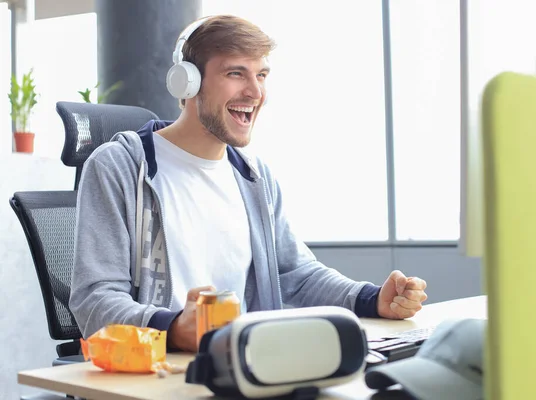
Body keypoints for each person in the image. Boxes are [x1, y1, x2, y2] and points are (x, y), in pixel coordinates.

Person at [69, 14, 428, 352]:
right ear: (187, 81)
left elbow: (296, 274)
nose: (255, 92)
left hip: (242, 368)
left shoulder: (254, 178)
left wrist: (371, 298)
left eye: (262, 75)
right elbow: (94, 298)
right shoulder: (122, 167)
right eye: (236, 73)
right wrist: (175, 328)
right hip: (155, 372)